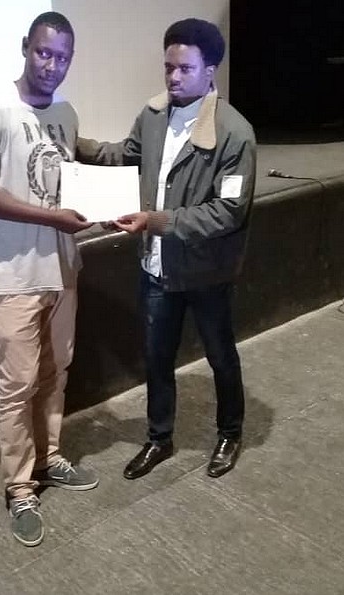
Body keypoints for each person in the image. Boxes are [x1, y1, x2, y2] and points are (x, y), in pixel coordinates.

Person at [77, 18, 256, 481]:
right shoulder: (154, 115)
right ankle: (159, 438)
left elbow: (227, 213)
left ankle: (230, 433)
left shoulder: (234, 133)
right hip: (156, 267)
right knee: (157, 359)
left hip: (208, 272)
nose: (173, 78)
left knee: (220, 355)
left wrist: (156, 221)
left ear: (210, 70)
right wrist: (76, 144)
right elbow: (126, 154)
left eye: (185, 69)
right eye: (168, 67)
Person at [0, 11, 99, 548]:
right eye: (44, 52)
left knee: (55, 371)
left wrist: (99, 210)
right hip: (12, 274)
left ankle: (49, 456)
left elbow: (69, 184)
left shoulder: (66, 112)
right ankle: (19, 487)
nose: (52, 65)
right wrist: (51, 218)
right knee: (16, 386)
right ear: (25, 47)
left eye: (62, 57)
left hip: (62, 267)